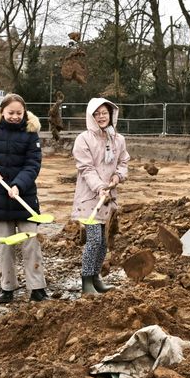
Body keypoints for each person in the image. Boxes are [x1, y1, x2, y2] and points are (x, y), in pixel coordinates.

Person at [0, 93, 49, 303]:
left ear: (24, 113)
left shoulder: (30, 133)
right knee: (4, 246)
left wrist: (18, 185)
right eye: (11, 112)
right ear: (2, 112)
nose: (15, 116)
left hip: (24, 198)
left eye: (19, 113)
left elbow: (33, 164)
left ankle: (37, 287)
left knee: (30, 243)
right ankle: (7, 287)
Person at [71, 97, 130, 294]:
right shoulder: (83, 139)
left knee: (104, 241)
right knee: (94, 239)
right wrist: (99, 187)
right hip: (90, 197)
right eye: (96, 114)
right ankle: (86, 282)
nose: (101, 117)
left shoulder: (118, 139)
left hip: (109, 198)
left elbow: (123, 162)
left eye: (104, 113)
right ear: (91, 117)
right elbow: (86, 168)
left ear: (111, 114)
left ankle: (96, 277)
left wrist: (117, 176)